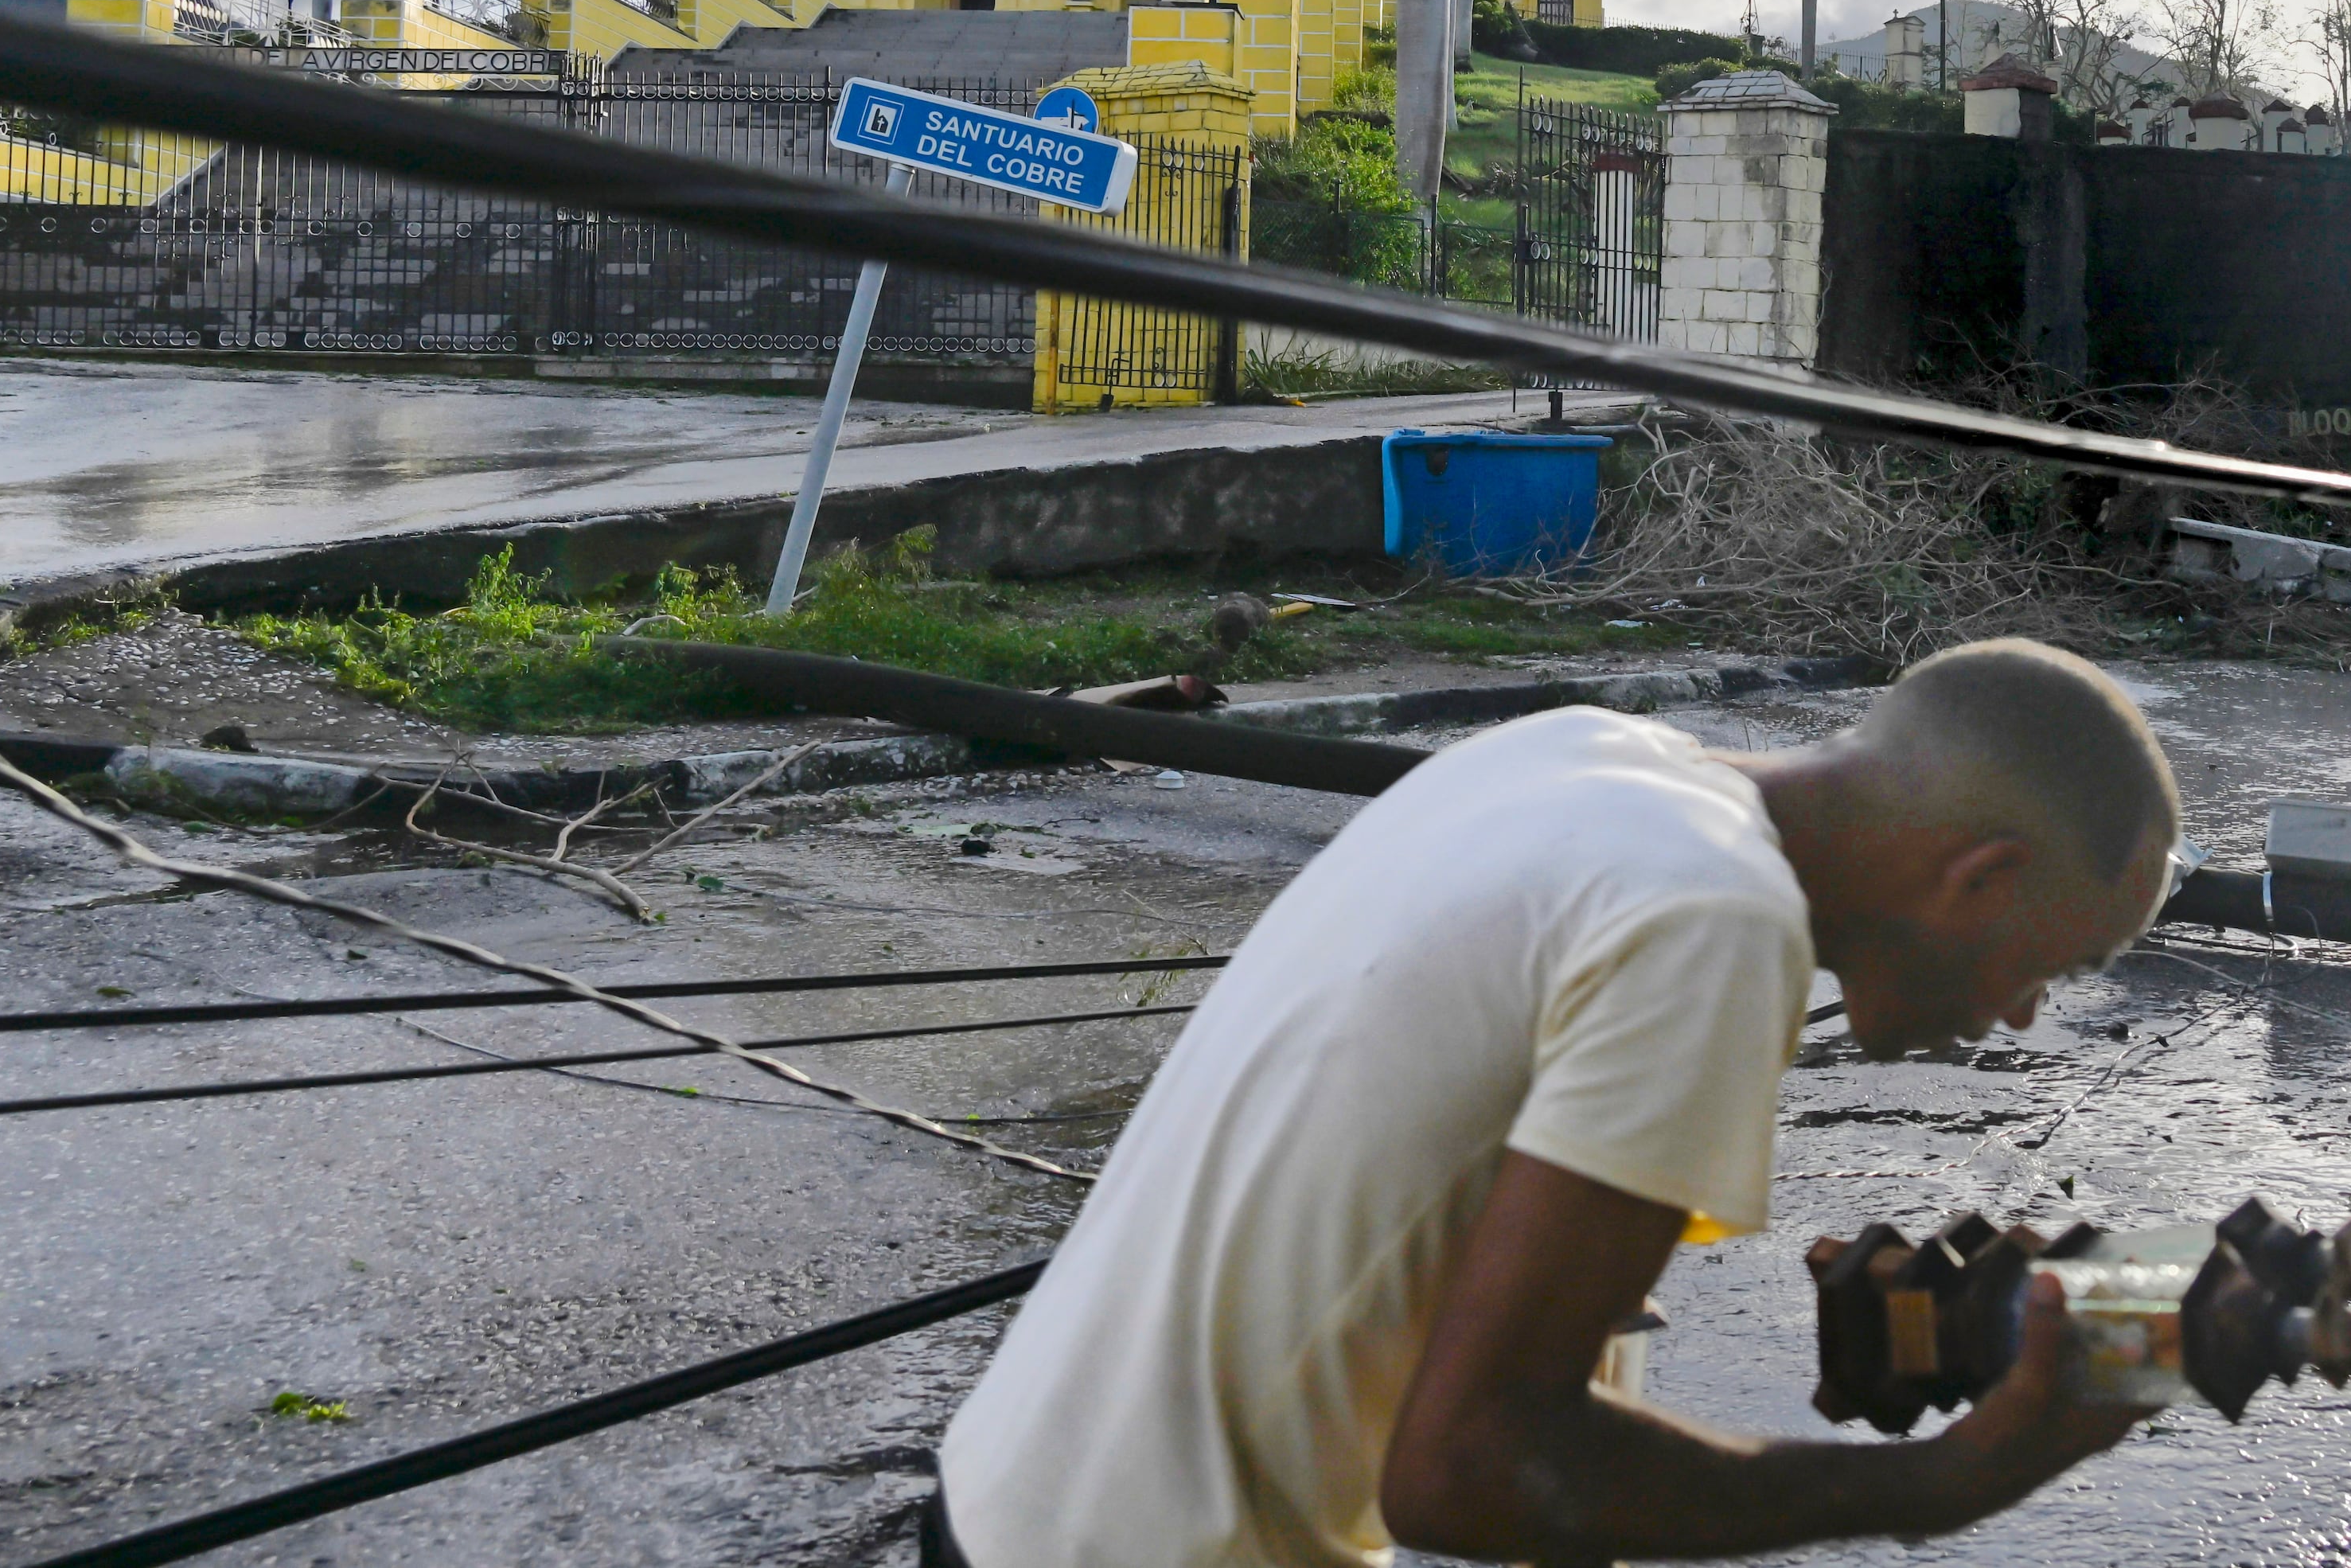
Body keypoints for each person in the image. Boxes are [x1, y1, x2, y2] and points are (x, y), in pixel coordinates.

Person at [930, 637, 2187, 1568]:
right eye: (2056, 962)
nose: (2027, 1010)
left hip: (1006, 1504)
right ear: (1983, 876)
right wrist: (1941, 1481)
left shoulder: (1576, 755)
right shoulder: (1716, 922)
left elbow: (1539, 1348)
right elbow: (1472, 1468)